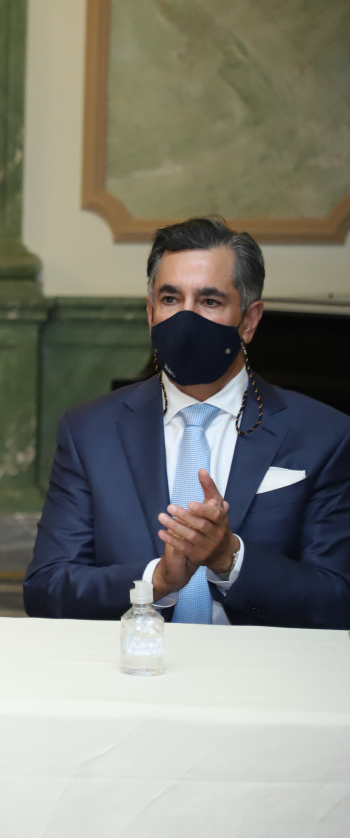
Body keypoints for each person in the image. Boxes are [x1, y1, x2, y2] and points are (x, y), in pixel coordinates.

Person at [25, 216, 350, 629]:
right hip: (132, 662)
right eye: (170, 299)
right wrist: (156, 582)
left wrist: (230, 559)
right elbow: (46, 589)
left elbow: (337, 600)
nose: (186, 318)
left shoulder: (324, 435)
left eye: (209, 301)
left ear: (249, 321)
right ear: (150, 312)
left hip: (257, 667)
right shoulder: (89, 431)